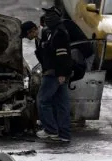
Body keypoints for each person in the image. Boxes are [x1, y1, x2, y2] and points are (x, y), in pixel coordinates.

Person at [35, 6, 72, 142]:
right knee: (62, 104)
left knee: (43, 100)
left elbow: (62, 55)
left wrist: (61, 74)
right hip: (57, 73)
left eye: (48, 16)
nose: (46, 19)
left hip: (55, 74)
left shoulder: (59, 33)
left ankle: (51, 130)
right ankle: (64, 134)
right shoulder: (53, 32)